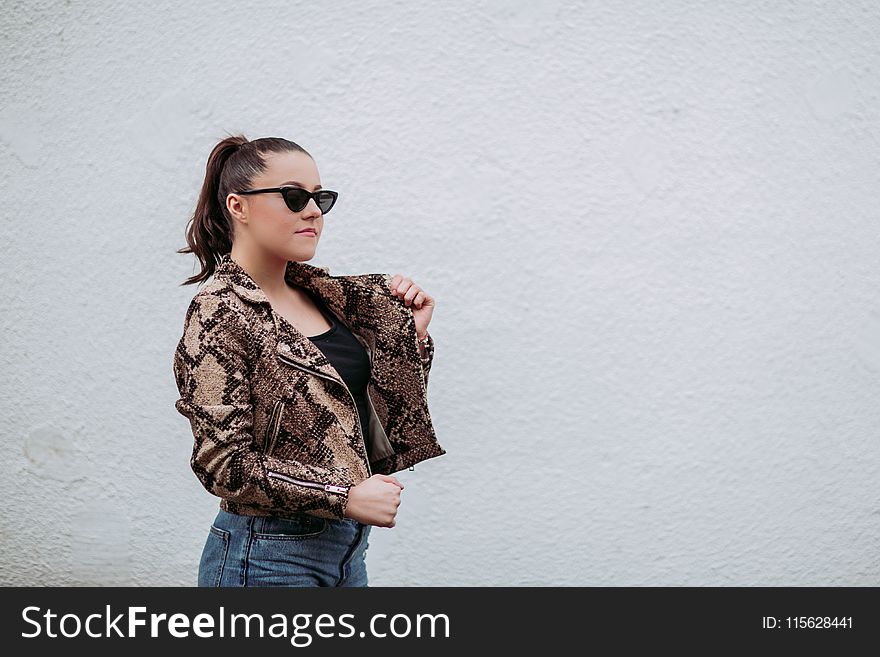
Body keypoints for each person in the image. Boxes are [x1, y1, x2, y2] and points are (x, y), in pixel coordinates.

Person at [172, 134, 446, 586]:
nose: (313, 211)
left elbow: (364, 427)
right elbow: (222, 463)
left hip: (346, 553)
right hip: (265, 558)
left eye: (320, 198)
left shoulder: (329, 299)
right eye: (294, 196)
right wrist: (343, 495)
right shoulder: (220, 311)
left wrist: (408, 340)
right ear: (238, 207)